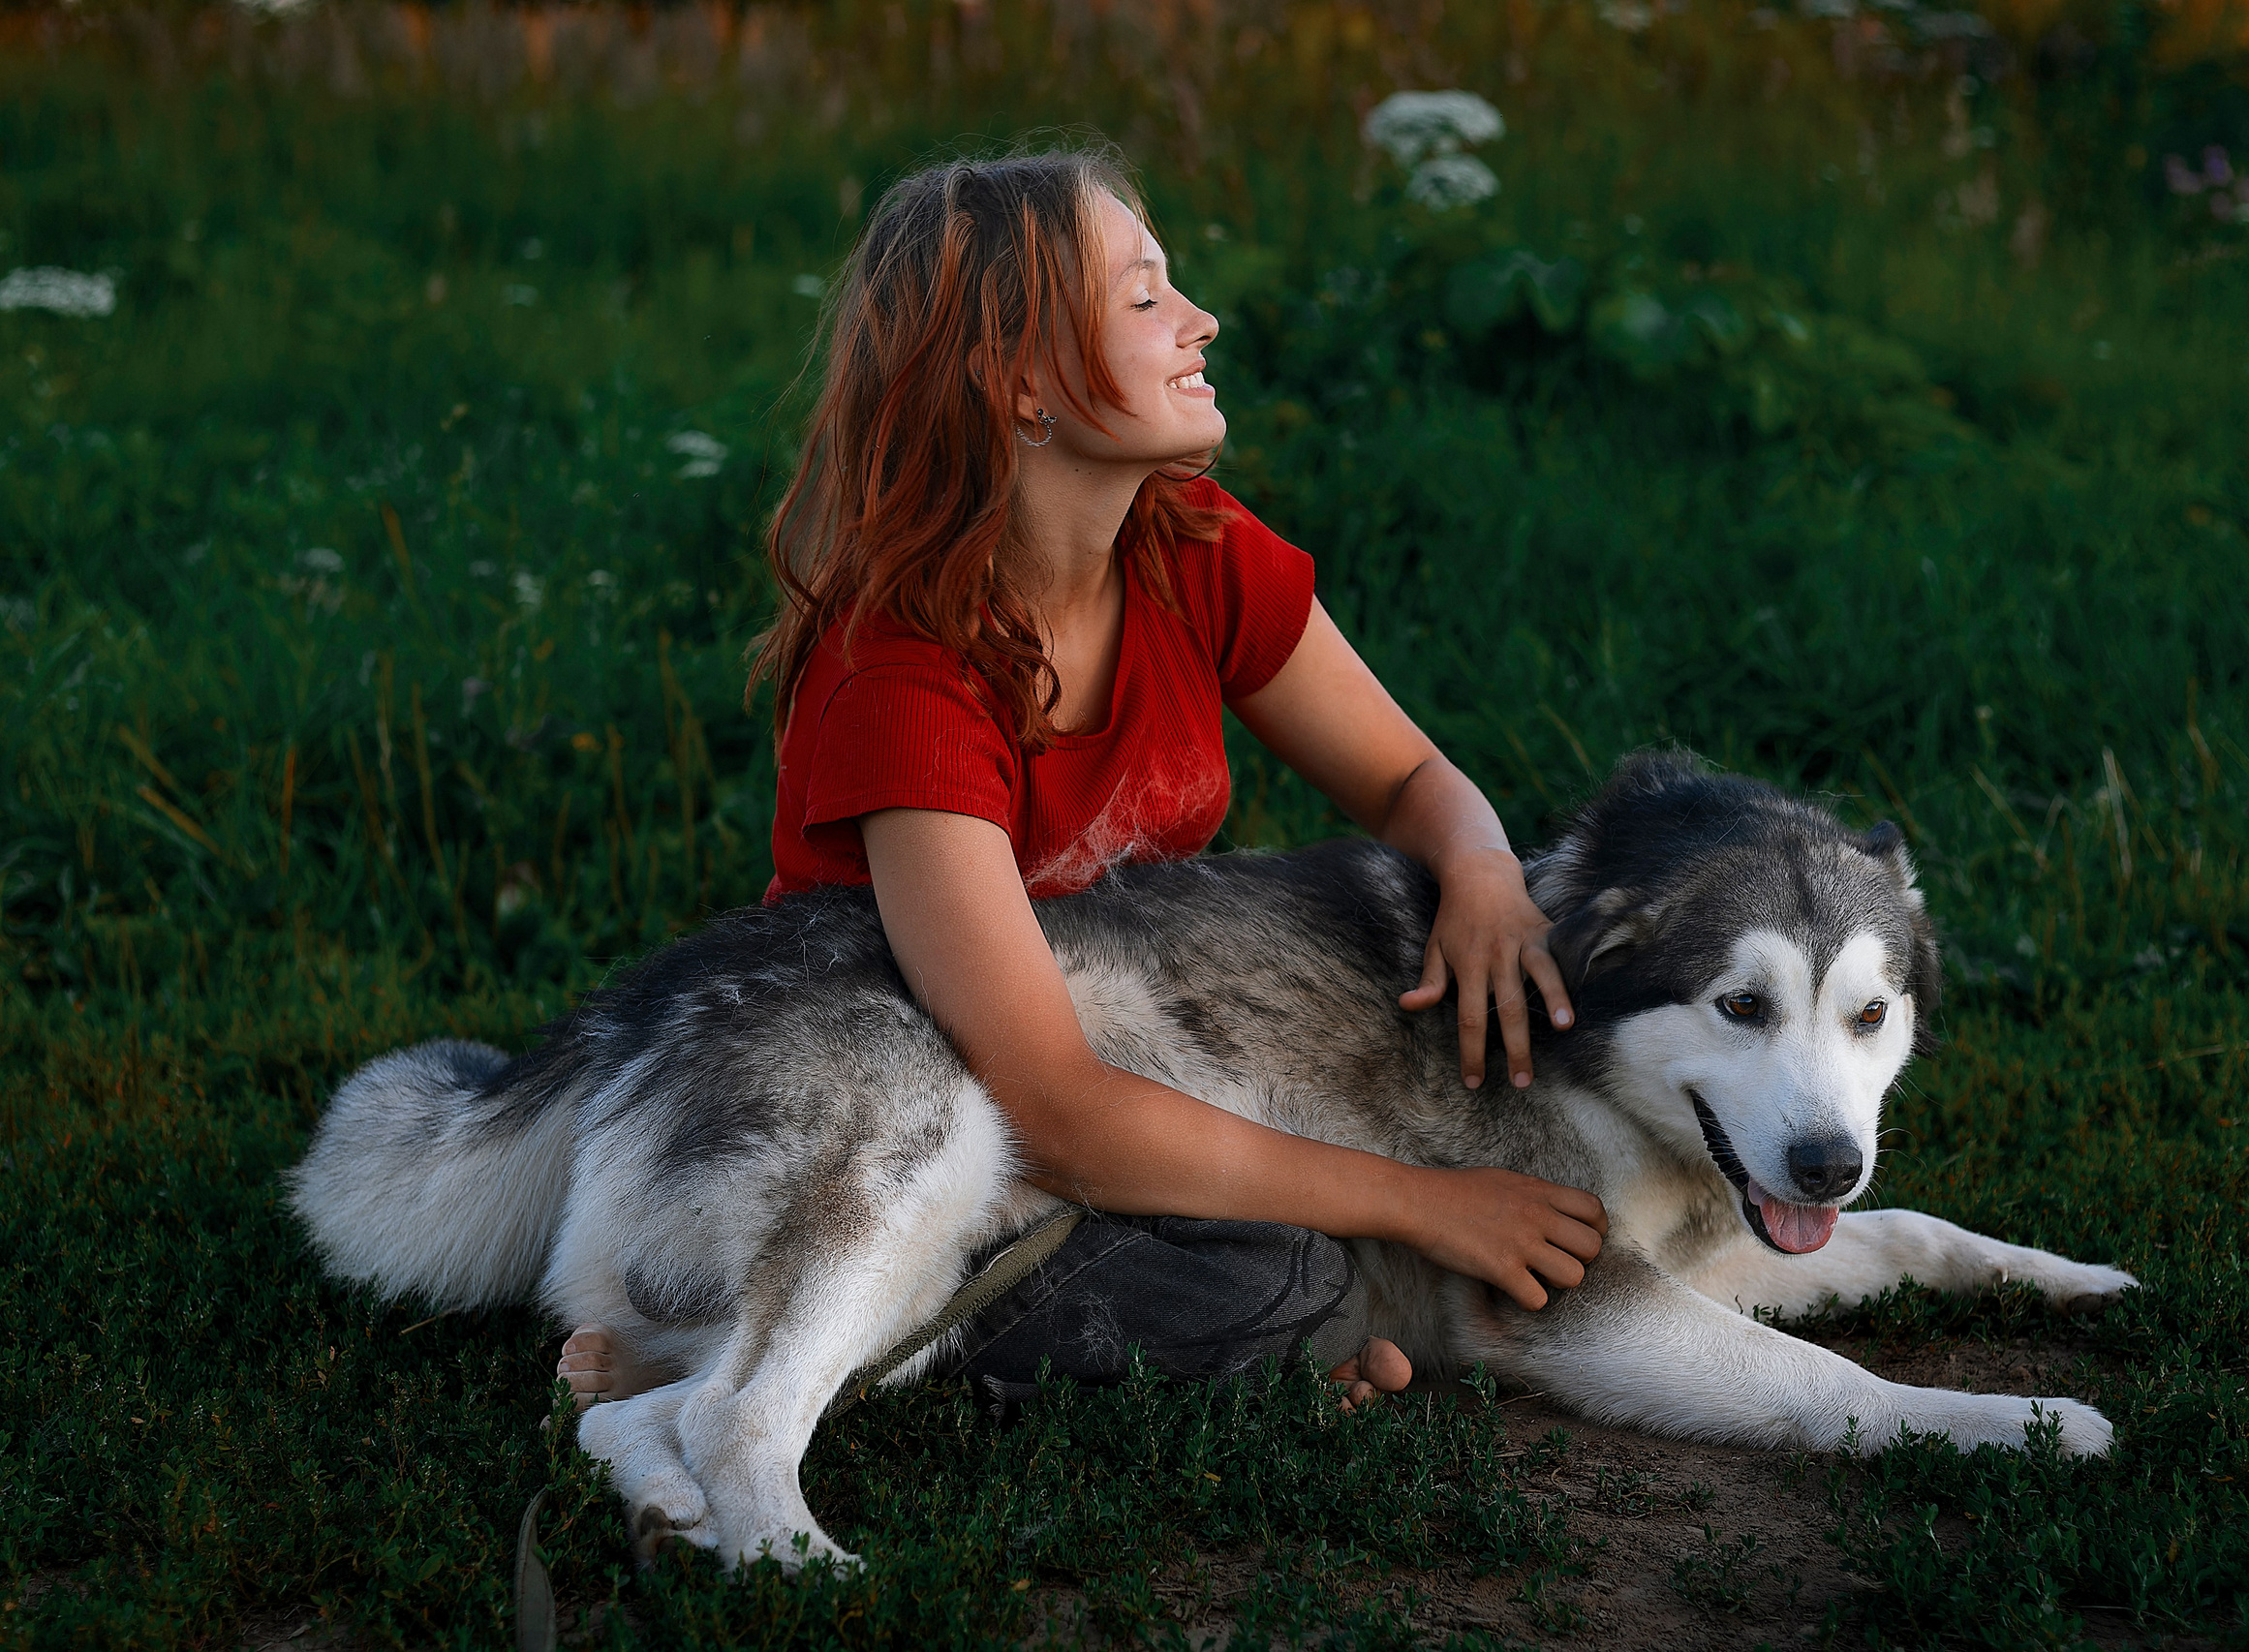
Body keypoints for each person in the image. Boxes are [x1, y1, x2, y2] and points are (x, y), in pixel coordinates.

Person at [557, 145, 1606, 1418]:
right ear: (1019, 382)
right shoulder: (905, 678)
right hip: (904, 1097)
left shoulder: (1194, 552)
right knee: (1301, 1273)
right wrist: (1429, 1203)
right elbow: (1049, 1104)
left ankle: (1186, 1341)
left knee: (1304, 1250)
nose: (1201, 320)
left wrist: (1482, 868)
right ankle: (767, 1344)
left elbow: (1407, 777)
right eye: (1146, 296)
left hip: (1117, 1064)